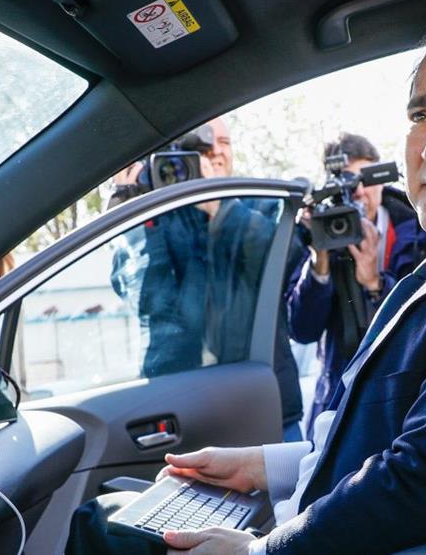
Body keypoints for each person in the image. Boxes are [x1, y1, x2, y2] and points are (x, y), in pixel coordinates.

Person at [67, 17, 426, 555]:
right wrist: (258, 466)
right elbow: (382, 429)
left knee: (100, 525)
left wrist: (259, 552)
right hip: (318, 512)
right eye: (421, 114)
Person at [110, 118, 305, 443]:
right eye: (200, 145)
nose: (213, 151)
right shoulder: (160, 212)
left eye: (223, 142)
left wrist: (221, 207)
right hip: (181, 407)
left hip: (264, 404)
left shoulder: (261, 199)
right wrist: (133, 210)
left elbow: (286, 263)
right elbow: (144, 298)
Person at [286, 133, 426, 437]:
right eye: (349, 184)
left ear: (380, 176)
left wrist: (376, 283)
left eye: (366, 179)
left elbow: (423, 323)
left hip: (404, 393)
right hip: (339, 395)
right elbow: (301, 329)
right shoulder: (317, 231)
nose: (360, 192)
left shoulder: (418, 230)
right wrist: (319, 262)